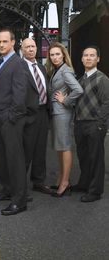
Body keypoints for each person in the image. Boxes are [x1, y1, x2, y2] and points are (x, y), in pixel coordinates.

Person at [0, 28, 29, 216]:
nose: (1, 45)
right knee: (3, 158)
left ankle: (19, 200)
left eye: (5, 41)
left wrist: (10, 117)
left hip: (10, 120)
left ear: (13, 42)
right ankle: (7, 189)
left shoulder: (18, 63)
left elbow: (20, 94)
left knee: (15, 160)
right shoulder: (1, 62)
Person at [45, 42, 83, 197]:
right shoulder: (56, 70)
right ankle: (61, 178)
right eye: (52, 54)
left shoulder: (65, 71)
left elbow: (78, 89)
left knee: (65, 146)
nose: (54, 57)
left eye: (57, 54)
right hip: (57, 113)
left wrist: (65, 100)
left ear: (63, 55)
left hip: (62, 113)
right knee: (60, 147)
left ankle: (65, 182)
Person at [73, 46, 109, 202]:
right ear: (82, 59)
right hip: (80, 124)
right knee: (83, 157)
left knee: (95, 158)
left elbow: (107, 103)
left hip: (95, 124)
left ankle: (95, 191)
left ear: (98, 59)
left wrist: (100, 124)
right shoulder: (80, 80)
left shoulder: (103, 79)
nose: (88, 58)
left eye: (92, 55)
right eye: (85, 55)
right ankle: (84, 183)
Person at [21, 38, 52, 195]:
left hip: (43, 113)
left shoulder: (41, 67)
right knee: (26, 150)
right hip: (28, 114)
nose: (31, 49)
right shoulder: (19, 67)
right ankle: (21, 186)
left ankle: (38, 181)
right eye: (27, 47)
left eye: (33, 46)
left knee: (40, 149)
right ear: (22, 49)